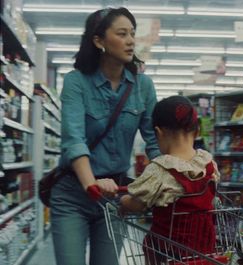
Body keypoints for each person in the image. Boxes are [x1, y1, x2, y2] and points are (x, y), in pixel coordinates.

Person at [50, 7, 160, 265]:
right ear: (99, 41)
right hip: (73, 195)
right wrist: (91, 184)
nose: (131, 40)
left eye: (133, 33)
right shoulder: (76, 82)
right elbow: (73, 139)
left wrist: (172, 174)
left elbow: (155, 140)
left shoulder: (143, 86)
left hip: (114, 197)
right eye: (122, 33)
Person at [120, 95, 220, 264]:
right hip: (204, 252)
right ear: (196, 131)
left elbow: (138, 203)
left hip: (166, 254)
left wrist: (124, 201)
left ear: (159, 133)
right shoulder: (209, 165)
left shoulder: (160, 169)